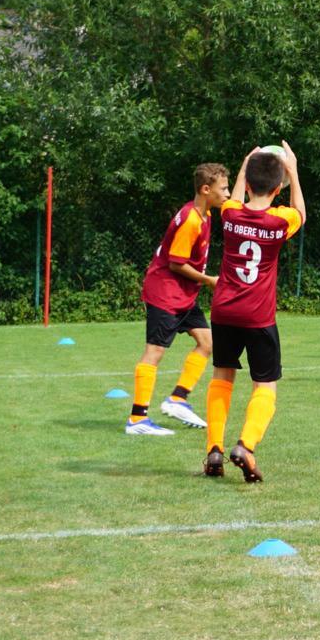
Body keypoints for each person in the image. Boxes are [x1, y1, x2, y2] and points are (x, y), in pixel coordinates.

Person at [205, 143, 305, 482]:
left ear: (246, 183)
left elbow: (234, 200)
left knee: (222, 377)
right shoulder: (279, 220)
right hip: (258, 316)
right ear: (278, 189)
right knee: (265, 385)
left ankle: (214, 449)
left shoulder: (230, 214)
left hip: (223, 311)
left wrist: (246, 163)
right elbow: (300, 213)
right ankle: (245, 446)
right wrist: (293, 172)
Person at [126, 163, 228, 436]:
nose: (227, 194)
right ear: (205, 189)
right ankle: (137, 419)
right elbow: (176, 263)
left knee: (207, 342)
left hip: (183, 294)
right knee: (155, 351)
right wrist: (209, 280)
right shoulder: (191, 221)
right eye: (223, 188)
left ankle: (177, 399)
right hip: (165, 292)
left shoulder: (205, 214)